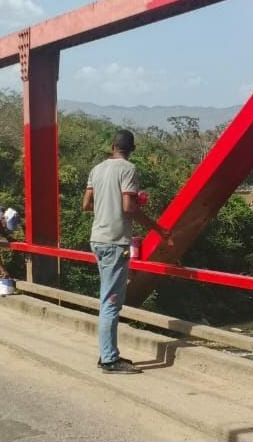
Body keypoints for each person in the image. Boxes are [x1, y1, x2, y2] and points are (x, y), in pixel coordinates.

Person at [83, 129, 171, 375]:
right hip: (114, 242)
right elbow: (128, 207)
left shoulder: (97, 169)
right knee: (110, 303)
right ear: (132, 149)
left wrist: (107, 207)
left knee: (107, 298)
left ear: (112, 146)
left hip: (97, 239)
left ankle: (109, 355)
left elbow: (86, 204)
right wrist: (158, 229)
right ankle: (109, 360)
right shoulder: (128, 169)